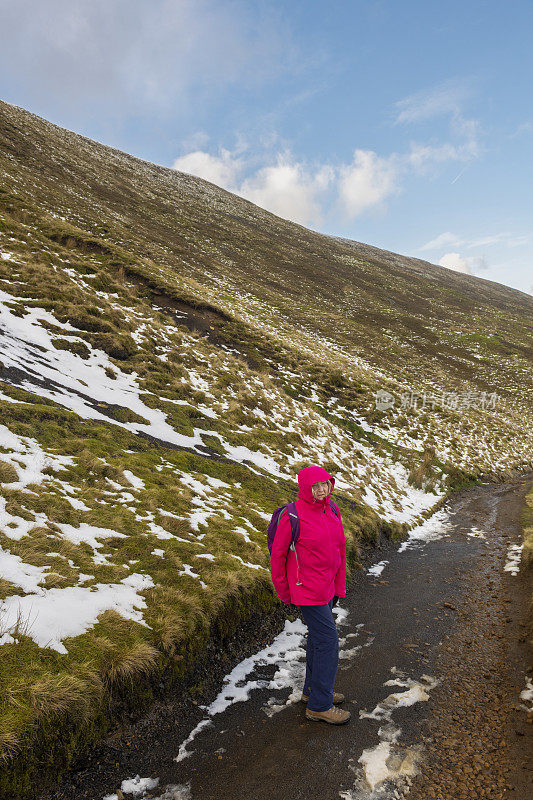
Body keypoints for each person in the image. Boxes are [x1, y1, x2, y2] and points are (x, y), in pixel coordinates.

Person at [270, 465, 350, 725]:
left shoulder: (332, 509)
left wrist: (339, 586)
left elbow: (340, 549)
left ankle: (312, 691)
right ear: (305, 488)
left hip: (326, 587)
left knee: (318, 639)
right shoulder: (291, 515)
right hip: (307, 590)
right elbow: (278, 556)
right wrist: (285, 591)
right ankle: (319, 705)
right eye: (315, 486)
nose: (321, 489)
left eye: (325, 484)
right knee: (328, 642)